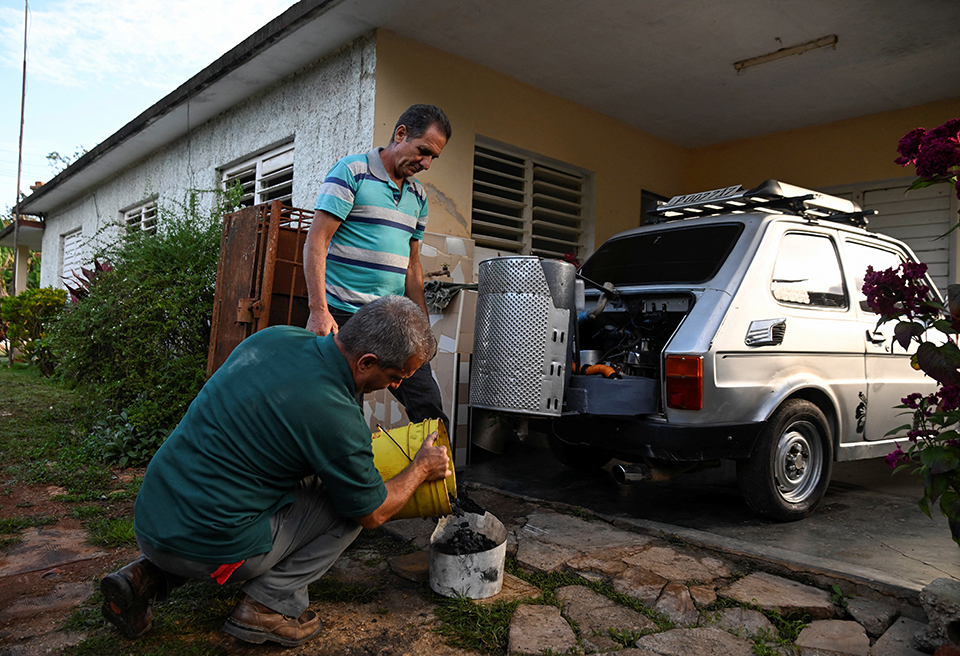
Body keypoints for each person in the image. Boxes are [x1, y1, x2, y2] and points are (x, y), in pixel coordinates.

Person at [100, 296, 452, 647]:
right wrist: (421, 467)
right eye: (394, 377)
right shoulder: (336, 415)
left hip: (154, 518)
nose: (395, 387)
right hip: (206, 547)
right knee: (351, 509)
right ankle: (267, 606)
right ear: (367, 362)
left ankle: (143, 576)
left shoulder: (274, 338)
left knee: (252, 488)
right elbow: (372, 513)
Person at [303, 104, 452, 429]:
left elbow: (412, 266)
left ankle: (439, 463)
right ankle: (347, 464)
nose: (426, 163)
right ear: (400, 134)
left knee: (428, 404)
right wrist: (318, 310)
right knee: (342, 415)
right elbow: (317, 241)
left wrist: (423, 327)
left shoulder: (418, 196)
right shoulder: (351, 171)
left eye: (433, 158)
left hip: (393, 319)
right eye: (423, 151)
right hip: (343, 315)